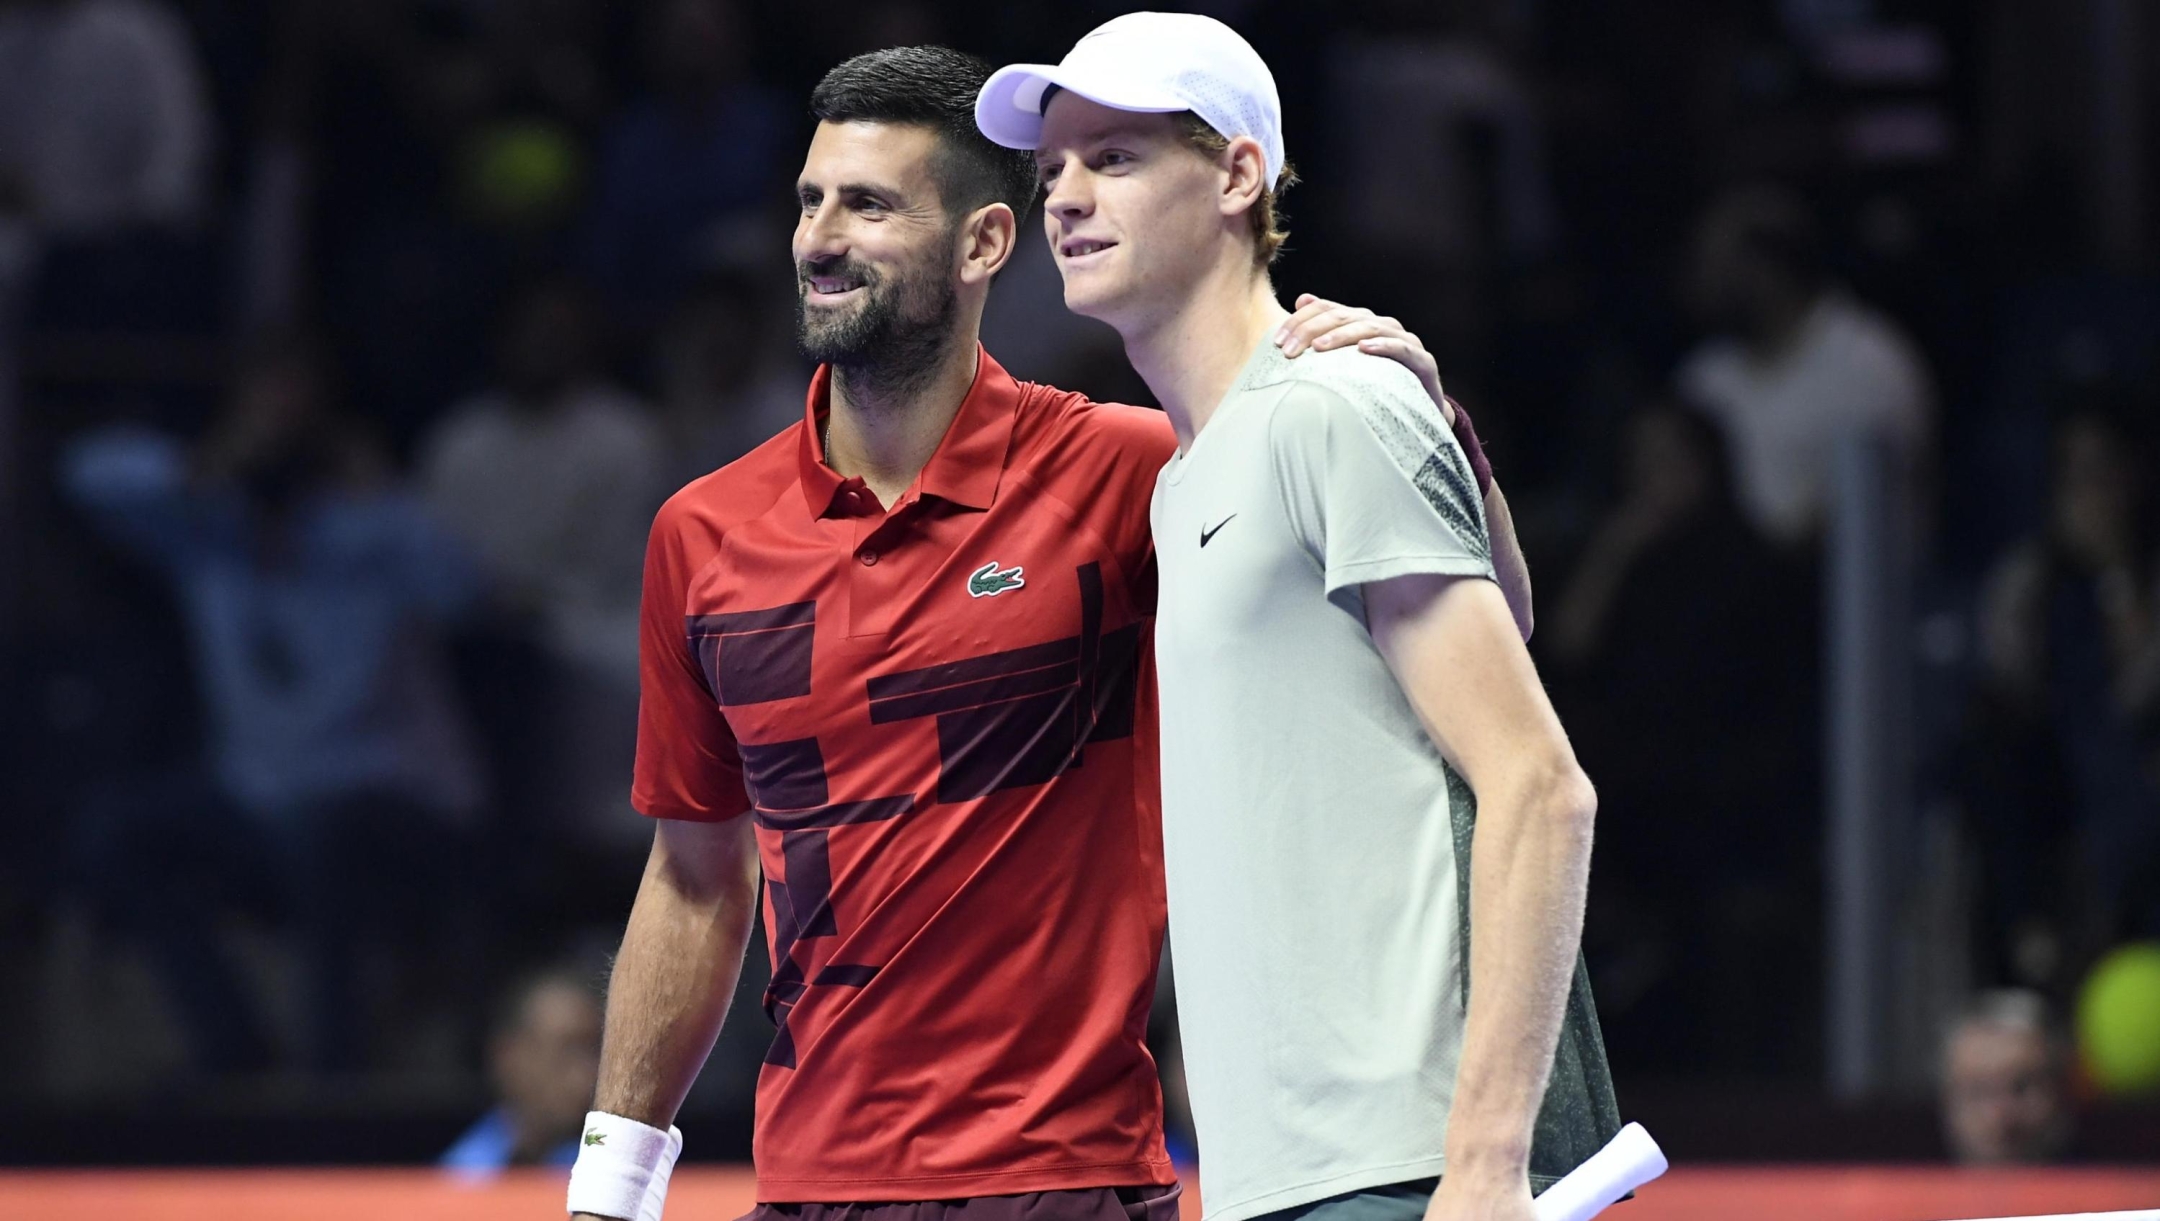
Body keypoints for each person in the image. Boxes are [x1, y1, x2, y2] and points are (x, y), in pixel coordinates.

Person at [568, 45, 1516, 1221]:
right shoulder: (700, 535)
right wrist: (611, 1190)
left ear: (981, 247)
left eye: (868, 205)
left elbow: (1465, 657)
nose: (818, 238)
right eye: (810, 201)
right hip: (807, 1185)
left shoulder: (1137, 470)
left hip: (1072, 1178)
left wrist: (1430, 428)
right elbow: (694, 877)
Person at [978, 14, 1617, 1221]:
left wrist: (1484, 1170)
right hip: (1279, 1173)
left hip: (1412, 1168)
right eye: (1051, 167)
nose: (1063, 197)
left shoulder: (1330, 406)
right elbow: (1498, 630)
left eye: (1111, 159)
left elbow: (1540, 783)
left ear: (1235, 175)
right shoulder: (1187, 479)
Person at [61, 336, 484, 1074]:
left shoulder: (367, 534)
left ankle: (332, 1086)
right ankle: (233, 1046)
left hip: (390, 797)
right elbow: (87, 474)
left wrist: (375, 493)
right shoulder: (207, 529)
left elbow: (467, 588)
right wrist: (214, 462)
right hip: (256, 803)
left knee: (328, 834)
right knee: (114, 832)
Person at [1676, 185, 1933, 547]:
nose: (1700, 283)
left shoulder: (1868, 361)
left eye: (1716, 266)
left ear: (1766, 268)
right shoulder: (1704, 374)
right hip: (1724, 588)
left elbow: (1863, 505)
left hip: (1848, 587)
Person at [442, 966, 605, 1175]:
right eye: (568, 1051)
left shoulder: (612, 1173)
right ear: (509, 1056)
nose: (589, 1074)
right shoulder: (455, 1178)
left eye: (594, 1051)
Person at [1940, 990, 2074, 1165]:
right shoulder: (1907, 1189)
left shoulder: (2111, 1186)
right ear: (1948, 1102)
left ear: (2062, 1092)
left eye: (2022, 1088)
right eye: (1978, 1091)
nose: (1999, 1117)